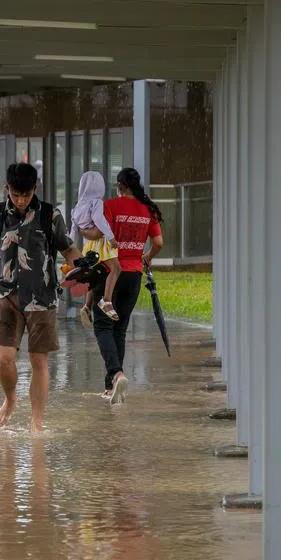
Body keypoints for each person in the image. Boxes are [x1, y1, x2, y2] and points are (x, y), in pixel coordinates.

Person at [0, 162, 82, 432]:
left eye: (26, 195)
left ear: (35, 189)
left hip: (42, 299)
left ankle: (37, 420)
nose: (20, 200)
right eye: (15, 194)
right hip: (6, 295)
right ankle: (9, 400)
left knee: (39, 361)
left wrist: (84, 268)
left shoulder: (49, 215)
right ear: (7, 189)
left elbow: (68, 249)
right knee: (3, 359)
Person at [82, 167, 164, 404]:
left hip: (109, 273)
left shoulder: (110, 206)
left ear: (120, 186)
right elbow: (158, 242)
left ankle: (116, 374)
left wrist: (81, 230)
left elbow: (97, 234)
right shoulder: (147, 209)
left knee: (103, 326)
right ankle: (111, 388)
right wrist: (146, 257)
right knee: (119, 328)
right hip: (133, 275)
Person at [70, 171, 122, 322]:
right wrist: (111, 237)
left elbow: (72, 232)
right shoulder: (96, 203)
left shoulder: (77, 207)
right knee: (115, 268)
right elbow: (98, 219)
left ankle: (87, 306)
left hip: (88, 246)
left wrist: (69, 249)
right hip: (100, 244)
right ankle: (106, 301)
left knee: (94, 276)